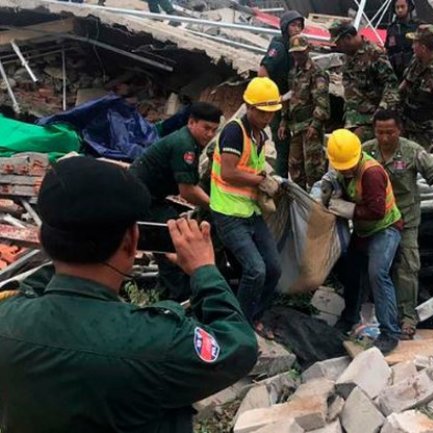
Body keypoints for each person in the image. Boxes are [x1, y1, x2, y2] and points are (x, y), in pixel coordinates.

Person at [0, 157, 258, 433]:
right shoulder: (156, 340)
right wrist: (204, 270)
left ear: (41, 239)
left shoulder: (8, 317)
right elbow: (239, 346)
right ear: (131, 242)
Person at [362, 109, 433, 339]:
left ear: (399, 130)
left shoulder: (412, 152)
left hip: (405, 219)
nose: (385, 138)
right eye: (380, 132)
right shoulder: (366, 151)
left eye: (390, 132)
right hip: (376, 220)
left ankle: (407, 318)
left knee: (408, 267)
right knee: (373, 267)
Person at [209, 77, 283, 336]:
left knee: (273, 268)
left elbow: (252, 166)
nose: (266, 118)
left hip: (249, 211)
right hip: (228, 212)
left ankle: (255, 315)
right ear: (249, 108)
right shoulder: (234, 132)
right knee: (255, 269)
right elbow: (229, 173)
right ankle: (239, 324)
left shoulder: (259, 135)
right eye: (261, 112)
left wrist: (263, 177)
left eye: (270, 113)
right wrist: (261, 180)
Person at [130, 102, 221, 301]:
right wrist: (217, 208)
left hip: (149, 195)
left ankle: (166, 291)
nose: (210, 134)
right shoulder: (185, 145)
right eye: (206, 128)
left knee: (169, 236)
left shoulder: (190, 141)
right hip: (142, 197)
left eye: (214, 130)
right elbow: (188, 191)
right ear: (191, 122)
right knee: (172, 240)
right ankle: (179, 298)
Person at [325, 129, 403, 354]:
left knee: (377, 273)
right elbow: (335, 180)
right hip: (364, 230)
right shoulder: (340, 166)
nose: (344, 170)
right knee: (351, 269)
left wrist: (350, 210)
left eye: (346, 166)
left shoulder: (372, 173)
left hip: (385, 227)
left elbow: (377, 211)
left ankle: (390, 332)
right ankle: (349, 316)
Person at [329, 21, 400, 143]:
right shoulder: (348, 56)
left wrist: (381, 112)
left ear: (348, 38)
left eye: (338, 43)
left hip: (369, 119)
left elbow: (391, 85)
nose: (338, 47)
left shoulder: (374, 54)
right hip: (352, 118)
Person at [278, 35, 330, 191]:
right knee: (295, 167)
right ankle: (299, 199)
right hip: (295, 127)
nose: (297, 55)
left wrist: (315, 125)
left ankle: (317, 202)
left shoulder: (317, 73)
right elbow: (289, 97)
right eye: (294, 52)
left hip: (310, 127)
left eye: (300, 52)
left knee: (314, 168)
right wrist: (283, 121)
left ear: (308, 50)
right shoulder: (293, 73)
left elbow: (322, 103)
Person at [258, 10, 305, 178]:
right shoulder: (279, 46)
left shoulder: (294, 46)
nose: (297, 29)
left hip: (288, 100)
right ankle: (280, 182)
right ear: (285, 27)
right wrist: (273, 98)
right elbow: (263, 72)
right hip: (277, 102)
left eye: (300, 25)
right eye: (293, 25)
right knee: (282, 146)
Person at [385, 0, 420, 79]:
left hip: (414, 70)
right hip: (396, 72)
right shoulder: (391, 28)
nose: (400, 10)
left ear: (409, 7)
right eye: (397, 7)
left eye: (402, 7)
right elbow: (388, 50)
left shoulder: (417, 26)